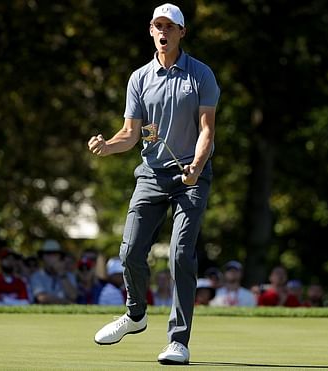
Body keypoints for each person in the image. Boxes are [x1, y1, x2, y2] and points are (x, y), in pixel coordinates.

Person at [89, 3, 220, 365]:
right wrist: (107, 146)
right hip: (151, 175)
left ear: (182, 32)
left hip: (191, 177)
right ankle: (135, 316)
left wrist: (195, 165)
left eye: (170, 26)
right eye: (157, 26)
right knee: (129, 251)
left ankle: (178, 341)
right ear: (151, 30)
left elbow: (207, 129)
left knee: (180, 254)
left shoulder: (201, 75)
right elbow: (130, 134)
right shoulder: (139, 78)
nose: (163, 32)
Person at [30, 239, 78, 304]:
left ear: (60, 257)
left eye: (55, 254)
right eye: (48, 254)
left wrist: (62, 275)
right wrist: (67, 302)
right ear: (43, 257)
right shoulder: (36, 276)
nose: (51, 257)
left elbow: (73, 296)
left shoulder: (69, 275)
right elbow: (42, 298)